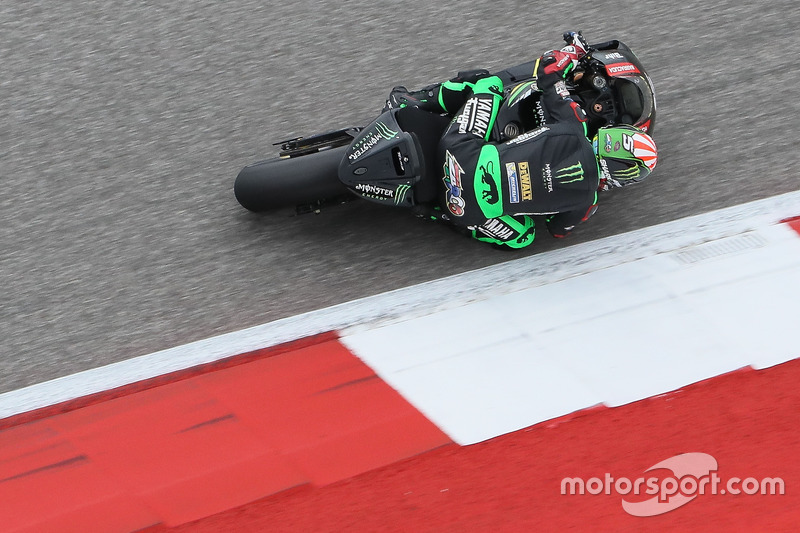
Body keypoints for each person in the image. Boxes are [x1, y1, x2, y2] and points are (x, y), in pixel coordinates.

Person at [384, 32, 658, 249]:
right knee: (525, 236)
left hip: (459, 149)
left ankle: (414, 101)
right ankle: (437, 214)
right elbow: (557, 230)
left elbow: (548, 72)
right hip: (465, 209)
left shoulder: (576, 125)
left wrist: (570, 53)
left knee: (487, 83)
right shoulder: (588, 203)